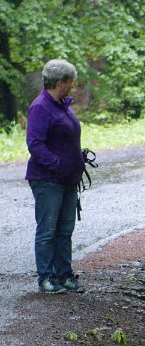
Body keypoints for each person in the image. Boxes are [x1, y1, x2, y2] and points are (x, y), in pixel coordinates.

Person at [26, 59, 85, 293]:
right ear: (61, 82)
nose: (72, 86)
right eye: (71, 82)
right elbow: (35, 144)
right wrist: (59, 164)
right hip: (48, 180)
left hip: (68, 179)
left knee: (65, 230)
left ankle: (64, 274)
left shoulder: (61, 105)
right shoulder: (41, 107)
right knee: (48, 230)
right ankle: (46, 277)